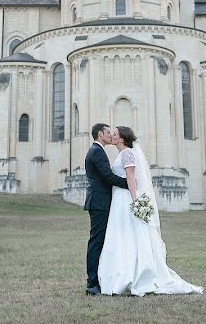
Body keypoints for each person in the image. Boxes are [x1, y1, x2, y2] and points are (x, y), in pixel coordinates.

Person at [98, 126, 203, 296]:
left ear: (122, 139)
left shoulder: (127, 154)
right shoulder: (122, 154)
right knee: (122, 235)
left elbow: (131, 178)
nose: (112, 136)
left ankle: (136, 274)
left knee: (130, 234)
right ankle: (122, 272)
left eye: (115, 134)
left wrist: (135, 201)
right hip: (119, 199)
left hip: (126, 199)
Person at [84, 123, 129, 296]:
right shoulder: (96, 151)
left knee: (100, 241)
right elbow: (107, 176)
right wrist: (128, 184)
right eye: (108, 132)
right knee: (96, 242)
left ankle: (100, 278)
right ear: (100, 134)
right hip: (99, 202)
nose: (111, 135)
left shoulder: (97, 151)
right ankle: (92, 283)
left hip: (101, 202)